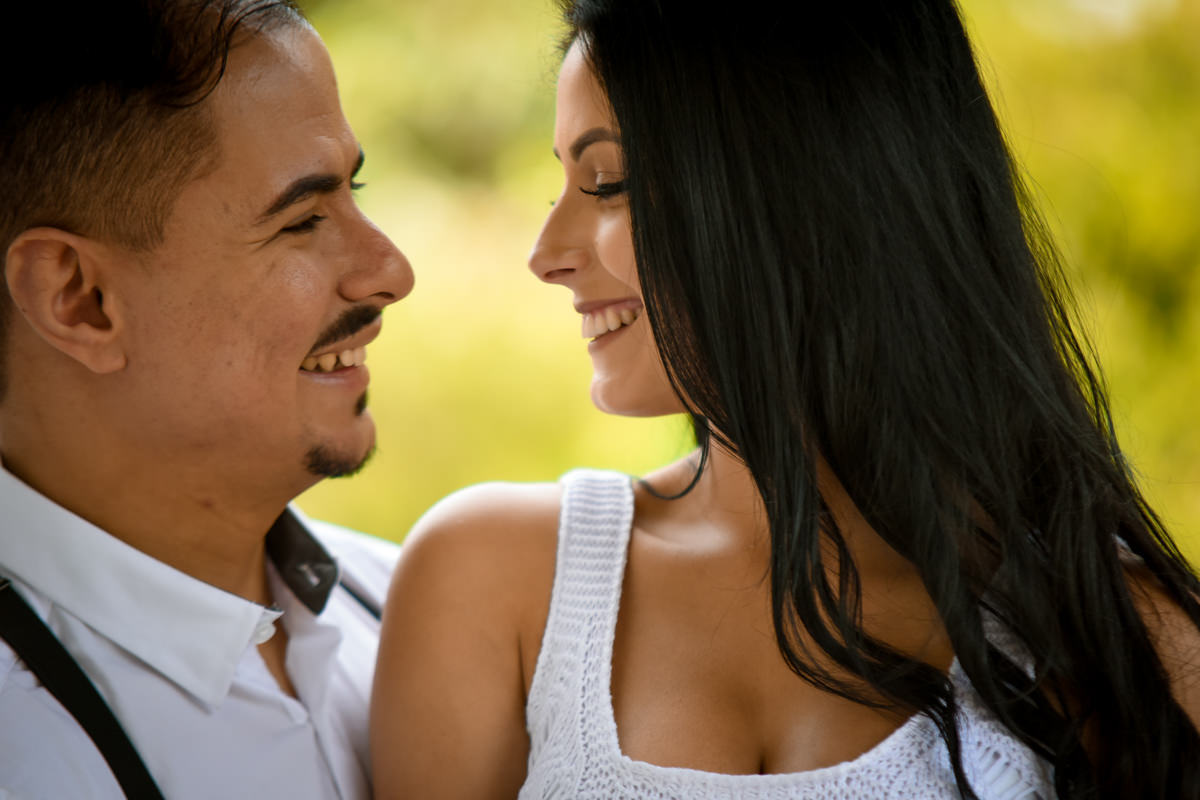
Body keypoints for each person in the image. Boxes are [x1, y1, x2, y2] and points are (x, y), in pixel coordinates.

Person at [371, 0, 1200, 798]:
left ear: (798, 193)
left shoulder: (1123, 637)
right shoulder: (494, 580)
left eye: (608, 181)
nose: (545, 253)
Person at [0, 1, 413, 797]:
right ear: (79, 297)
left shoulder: (422, 614)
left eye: (356, 189)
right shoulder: (25, 753)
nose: (390, 270)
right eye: (302, 219)